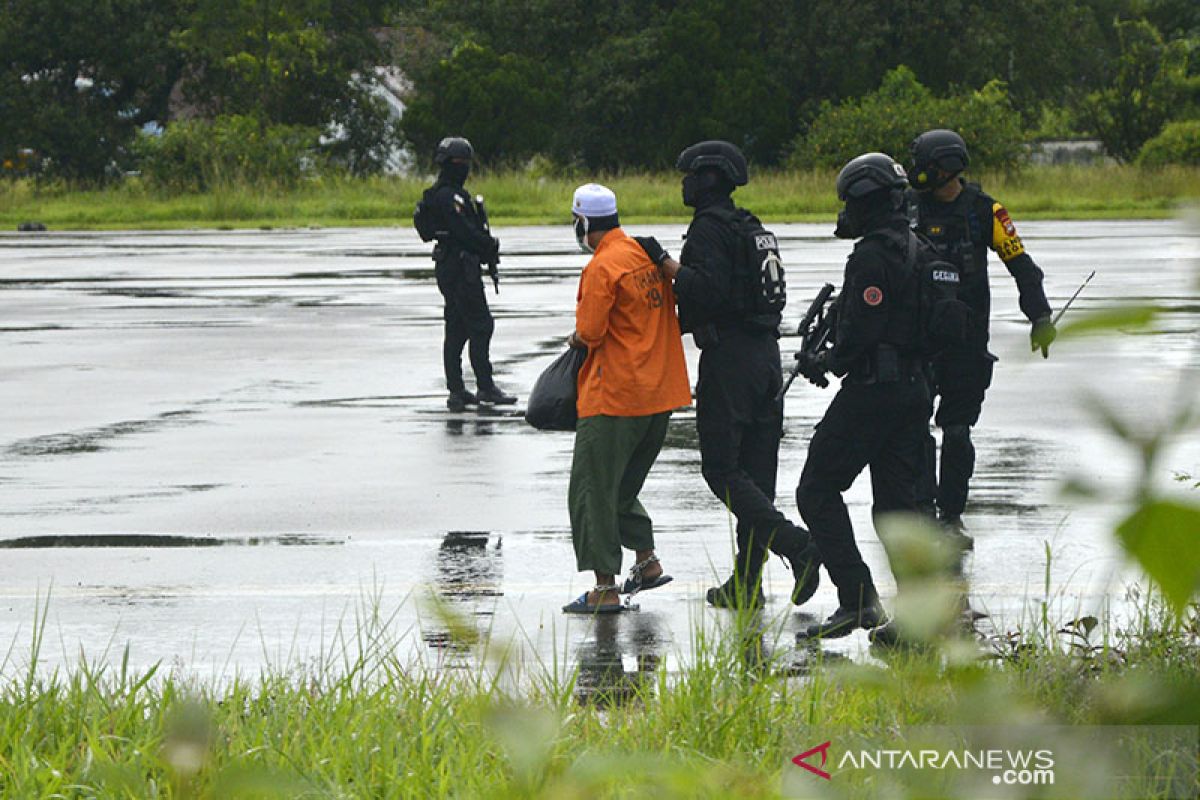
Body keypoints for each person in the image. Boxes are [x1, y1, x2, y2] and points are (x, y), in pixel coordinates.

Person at [655, 140, 820, 609]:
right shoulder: (752, 227)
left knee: (722, 470)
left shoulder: (709, 229)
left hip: (732, 361)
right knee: (756, 476)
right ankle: (746, 583)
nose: (683, 183)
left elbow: (705, 291)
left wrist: (665, 265)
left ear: (709, 179)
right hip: (767, 357)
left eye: (689, 175)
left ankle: (797, 547)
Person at [794, 153, 936, 640]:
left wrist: (827, 362)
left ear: (866, 202)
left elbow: (863, 331)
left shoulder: (873, 256)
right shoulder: (916, 246)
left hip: (876, 392)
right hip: (914, 391)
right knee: (896, 509)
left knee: (816, 489)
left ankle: (858, 601)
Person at [908, 129, 1055, 545]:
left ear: (946, 168)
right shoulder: (906, 208)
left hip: (966, 343)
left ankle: (950, 517)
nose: (918, 172)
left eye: (925, 164)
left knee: (956, 431)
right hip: (917, 341)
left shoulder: (985, 211)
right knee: (912, 428)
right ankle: (919, 514)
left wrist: (1040, 315)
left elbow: (1022, 266)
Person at [562, 184, 692, 614]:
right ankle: (646, 561)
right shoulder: (646, 256)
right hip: (659, 395)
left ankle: (604, 588)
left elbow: (592, 333)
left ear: (583, 223)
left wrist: (574, 336)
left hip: (614, 397)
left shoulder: (602, 267)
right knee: (622, 488)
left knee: (592, 491)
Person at [423, 136, 516, 411]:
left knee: (456, 327)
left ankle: (457, 390)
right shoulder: (451, 197)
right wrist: (489, 245)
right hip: (461, 269)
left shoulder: (438, 194)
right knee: (480, 325)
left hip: (449, 267)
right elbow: (466, 232)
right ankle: (485, 387)